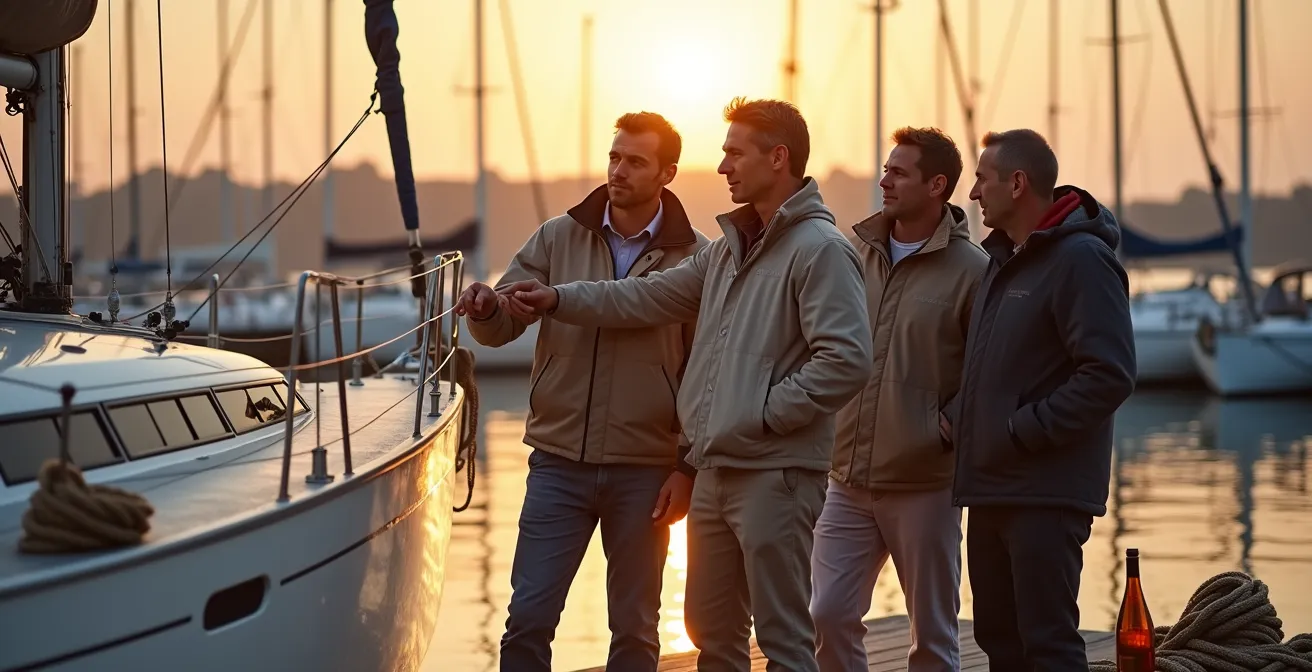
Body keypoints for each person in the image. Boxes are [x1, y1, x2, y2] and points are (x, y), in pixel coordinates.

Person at [500, 97, 873, 672]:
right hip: (719, 469)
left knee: (784, 640)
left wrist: (762, 412)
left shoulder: (821, 250)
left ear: (778, 158)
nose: (722, 166)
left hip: (776, 472)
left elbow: (846, 360)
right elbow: (643, 296)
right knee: (713, 633)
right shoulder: (727, 250)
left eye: (733, 153)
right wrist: (557, 297)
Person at [455, 111, 710, 672]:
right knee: (527, 621)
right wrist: (485, 308)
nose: (618, 169)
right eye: (615, 156)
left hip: (646, 469)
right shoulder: (557, 235)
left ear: (667, 173)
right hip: (557, 463)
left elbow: (703, 374)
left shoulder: (698, 256)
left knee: (637, 630)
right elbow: (501, 328)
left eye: (635, 161)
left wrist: (686, 467)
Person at [942, 128, 1136, 671]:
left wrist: (1020, 429)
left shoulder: (1081, 260)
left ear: (1018, 182)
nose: (974, 193)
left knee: (1047, 645)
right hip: (990, 489)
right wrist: (959, 419)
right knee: (999, 641)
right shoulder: (1000, 264)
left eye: (982, 179)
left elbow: (1109, 374)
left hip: (1044, 494)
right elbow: (994, 368)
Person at [810, 127, 988, 672]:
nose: (884, 180)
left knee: (932, 635)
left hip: (925, 483)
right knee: (827, 614)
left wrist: (945, 425)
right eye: (886, 169)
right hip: (845, 479)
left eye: (899, 172)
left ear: (938, 185)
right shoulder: (851, 255)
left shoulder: (974, 270)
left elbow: (987, 372)